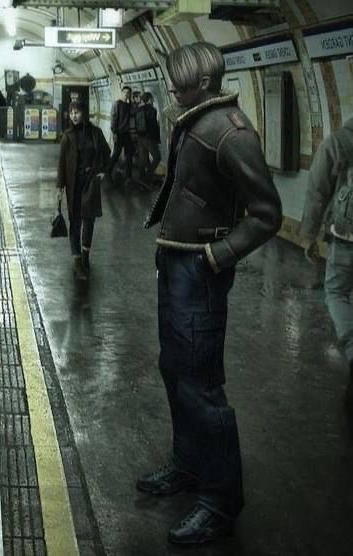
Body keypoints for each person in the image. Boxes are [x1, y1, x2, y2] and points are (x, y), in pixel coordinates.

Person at [140, 42, 282, 545]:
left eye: (178, 81)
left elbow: (267, 213)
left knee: (201, 385)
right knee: (174, 370)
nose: (171, 88)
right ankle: (189, 463)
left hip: (199, 270)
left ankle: (221, 501)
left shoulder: (231, 132)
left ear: (202, 83)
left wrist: (217, 256)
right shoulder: (195, 120)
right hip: (175, 262)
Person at [300, 116, 353, 374]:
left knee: (336, 292)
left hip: (344, 238)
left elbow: (317, 191)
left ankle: (352, 348)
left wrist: (309, 236)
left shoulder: (338, 142)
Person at [57, 101, 111, 280]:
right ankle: (77, 261)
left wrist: (103, 171)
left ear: (84, 113)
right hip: (73, 184)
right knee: (75, 222)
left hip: (90, 182)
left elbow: (107, 152)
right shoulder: (67, 136)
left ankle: (86, 255)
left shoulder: (96, 133)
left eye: (77, 112)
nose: (74, 116)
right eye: (71, 112)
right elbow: (62, 164)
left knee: (89, 220)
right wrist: (59, 186)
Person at [107, 85, 135, 182]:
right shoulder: (117, 104)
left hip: (127, 133)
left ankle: (129, 176)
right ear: (122, 93)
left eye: (128, 93)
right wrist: (114, 132)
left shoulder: (130, 105)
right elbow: (113, 118)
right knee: (116, 154)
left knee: (129, 154)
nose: (126, 94)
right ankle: (108, 171)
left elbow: (133, 114)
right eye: (125, 92)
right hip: (119, 133)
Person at [135, 92, 161, 186]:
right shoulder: (152, 110)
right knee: (157, 157)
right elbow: (153, 126)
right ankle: (148, 177)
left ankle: (142, 177)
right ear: (149, 99)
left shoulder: (138, 110)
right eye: (152, 98)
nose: (153, 100)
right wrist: (157, 138)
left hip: (140, 137)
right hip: (150, 138)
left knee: (143, 158)